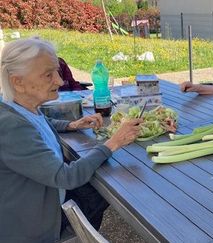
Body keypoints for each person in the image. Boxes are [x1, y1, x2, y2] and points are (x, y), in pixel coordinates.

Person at [0, 37, 143, 242]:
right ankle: (73, 237)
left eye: (56, 72)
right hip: (32, 228)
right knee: (107, 184)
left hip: (45, 195)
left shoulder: (16, 105)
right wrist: (114, 142)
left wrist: (71, 125)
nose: (59, 81)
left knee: (101, 183)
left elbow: (39, 121)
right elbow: (66, 177)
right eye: (48, 75)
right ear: (18, 82)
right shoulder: (11, 127)